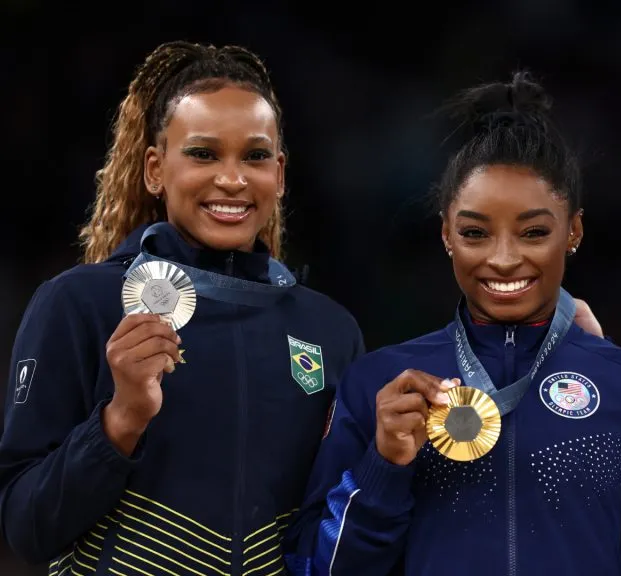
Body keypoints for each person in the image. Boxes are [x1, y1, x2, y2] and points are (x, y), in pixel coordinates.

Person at [283, 72, 621, 576]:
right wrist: (383, 466)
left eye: (534, 232)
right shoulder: (381, 387)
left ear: (573, 230)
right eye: (475, 233)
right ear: (447, 234)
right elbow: (314, 567)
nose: (505, 259)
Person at [0, 41, 363, 575]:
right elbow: (26, 528)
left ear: (280, 176)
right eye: (203, 153)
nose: (233, 179)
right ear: (154, 168)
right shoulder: (80, 304)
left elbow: (334, 535)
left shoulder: (329, 329)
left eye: (255, 156)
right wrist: (121, 418)